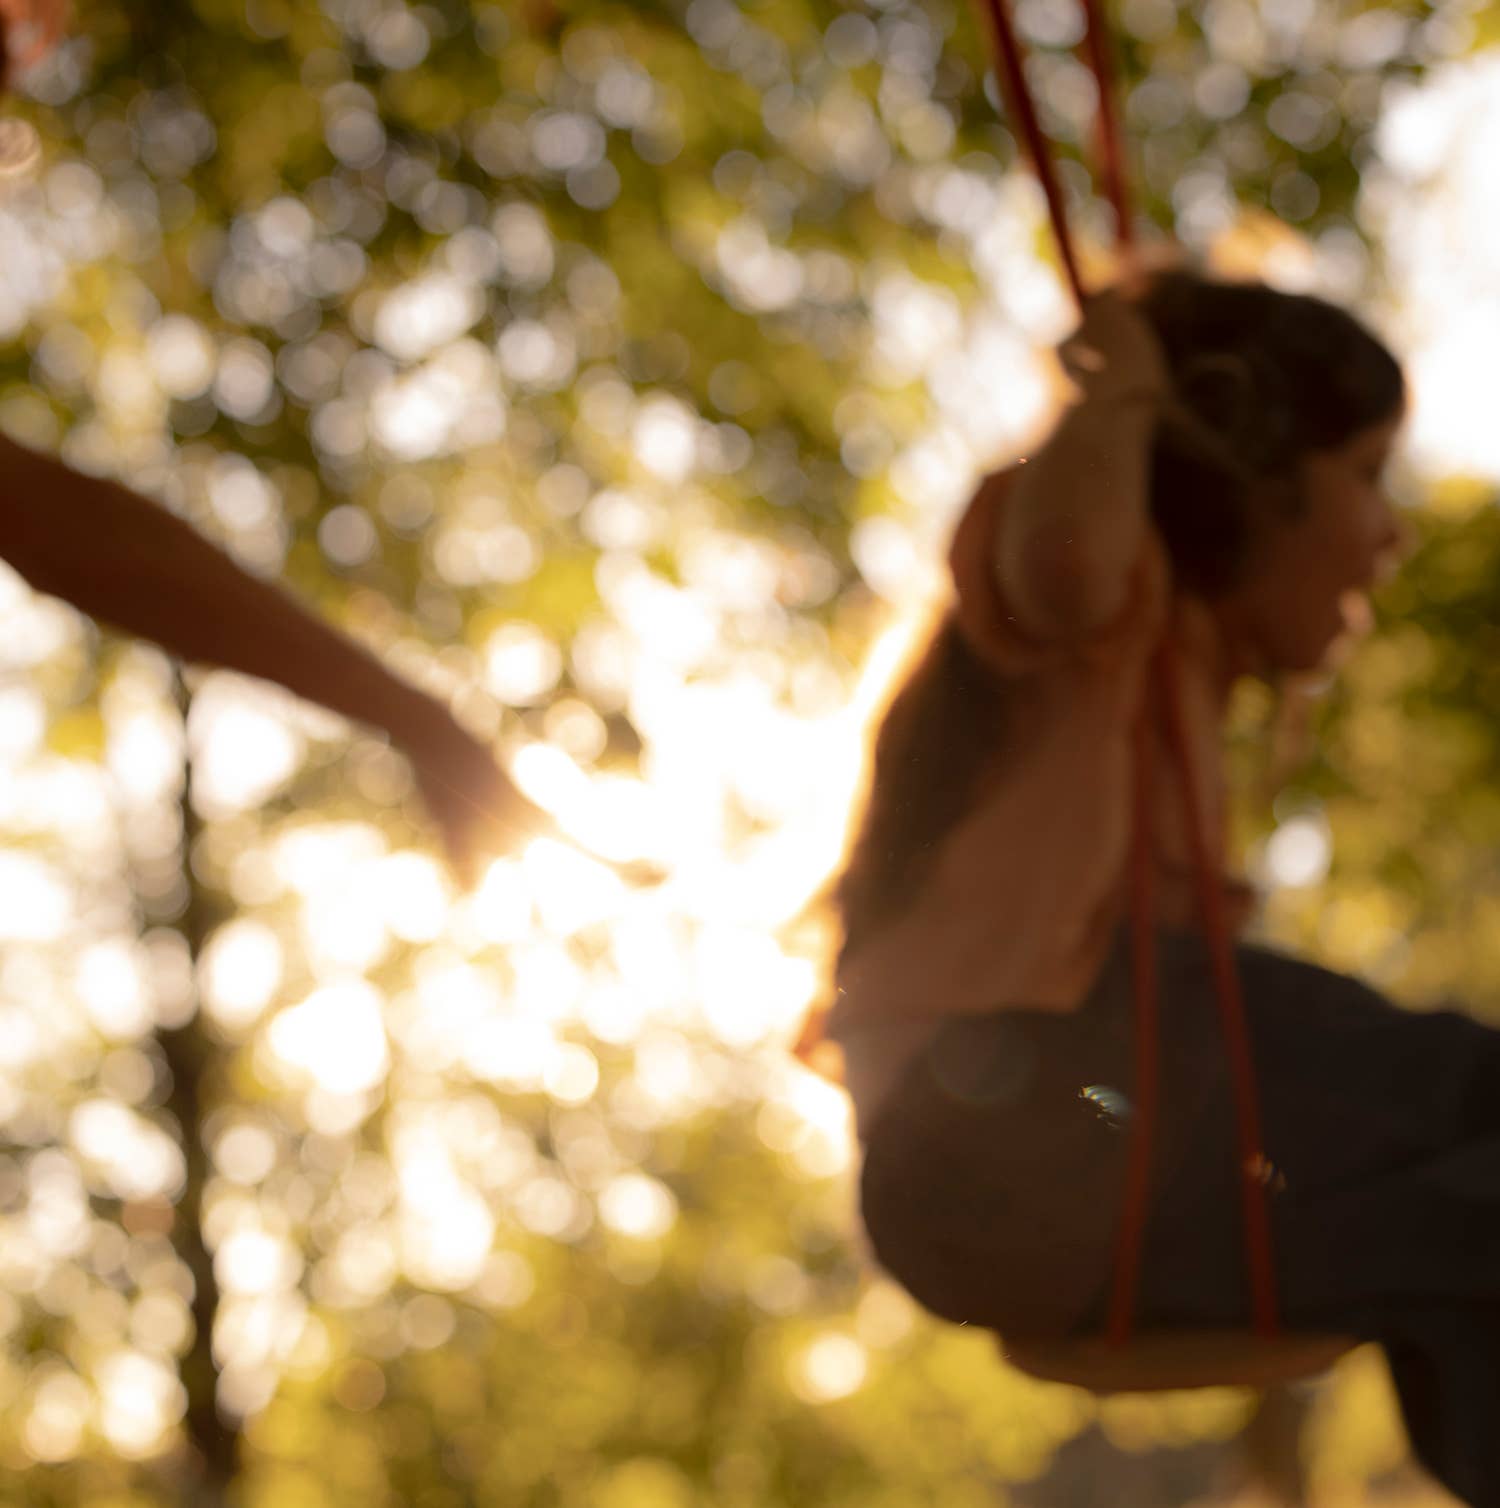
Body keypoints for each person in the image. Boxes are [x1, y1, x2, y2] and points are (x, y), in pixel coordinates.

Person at [804, 269, 1500, 1508]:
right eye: (1366, 475)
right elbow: (1068, 555)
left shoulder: (1176, 729)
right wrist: (1123, 389)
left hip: (1031, 1186)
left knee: (1462, 1243)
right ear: (1251, 475)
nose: (1390, 533)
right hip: (1005, 1113)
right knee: (1467, 1090)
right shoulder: (1107, 609)